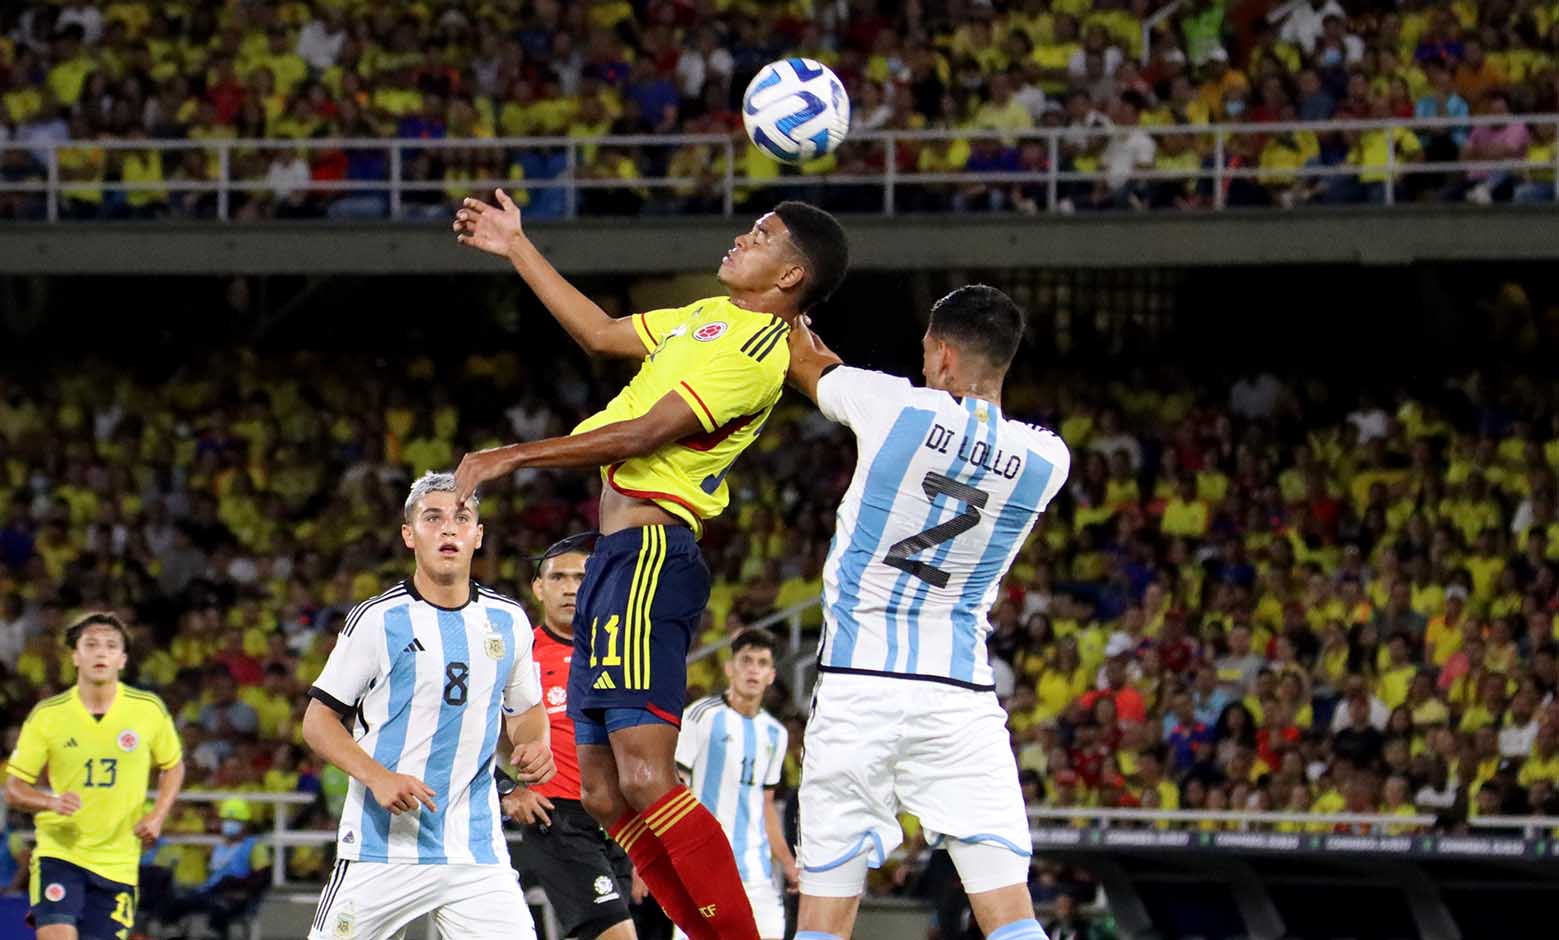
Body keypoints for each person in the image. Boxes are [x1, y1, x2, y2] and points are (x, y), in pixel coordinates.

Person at [451, 190, 848, 940]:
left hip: (650, 556)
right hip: (611, 559)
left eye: (759, 235)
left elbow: (642, 434)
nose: (739, 237)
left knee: (643, 776)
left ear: (790, 275)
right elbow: (600, 334)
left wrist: (518, 455)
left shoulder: (755, 353)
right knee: (602, 792)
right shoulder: (710, 315)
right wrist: (516, 246)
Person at [784, 285, 1071, 940]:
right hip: (960, 699)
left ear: (941, 356)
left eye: (923, 354)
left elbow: (804, 364)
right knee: (1009, 915)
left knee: (825, 915)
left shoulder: (892, 407)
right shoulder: (1045, 458)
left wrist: (790, 304)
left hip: (859, 688)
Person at [300, 471, 557, 940]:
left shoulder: (509, 621)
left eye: (461, 518)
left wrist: (535, 743)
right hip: (382, 848)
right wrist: (379, 777)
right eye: (432, 517)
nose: (448, 529)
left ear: (477, 536)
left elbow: (526, 712)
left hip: (475, 852)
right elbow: (318, 721)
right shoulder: (379, 620)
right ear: (408, 534)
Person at [5, 611, 185, 940]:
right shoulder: (48, 715)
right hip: (60, 852)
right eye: (91, 644)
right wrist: (50, 802)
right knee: (58, 932)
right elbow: (14, 788)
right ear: (76, 656)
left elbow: (173, 765)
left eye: (110, 645)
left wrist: (157, 816)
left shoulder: (148, 710)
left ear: (122, 659)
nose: (101, 652)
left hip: (119, 860)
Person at [506, 532, 643, 940]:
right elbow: (471, 732)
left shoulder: (620, 651)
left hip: (618, 820)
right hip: (558, 816)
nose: (570, 588)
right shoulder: (519, 653)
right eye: (558, 578)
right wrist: (508, 790)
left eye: (581, 578)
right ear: (538, 588)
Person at [674, 629, 796, 940]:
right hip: (703, 869)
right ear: (730, 668)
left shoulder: (775, 733)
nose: (753, 669)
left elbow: (765, 806)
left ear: (771, 675)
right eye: (746, 661)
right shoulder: (700, 717)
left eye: (762, 663)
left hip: (754, 871)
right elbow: (674, 792)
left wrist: (789, 863)